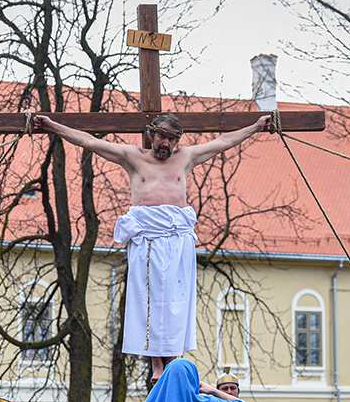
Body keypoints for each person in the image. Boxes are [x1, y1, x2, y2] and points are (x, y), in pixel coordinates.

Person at [33, 113, 271, 381]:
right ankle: (156, 362)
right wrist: (52, 126)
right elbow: (89, 141)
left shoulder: (185, 158)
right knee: (149, 298)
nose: (166, 145)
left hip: (178, 239)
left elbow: (223, 141)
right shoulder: (133, 157)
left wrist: (256, 127)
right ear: (151, 134)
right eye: (162, 137)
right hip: (147, 239)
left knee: (176, 300)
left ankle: (172, 360)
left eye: (172, 139)